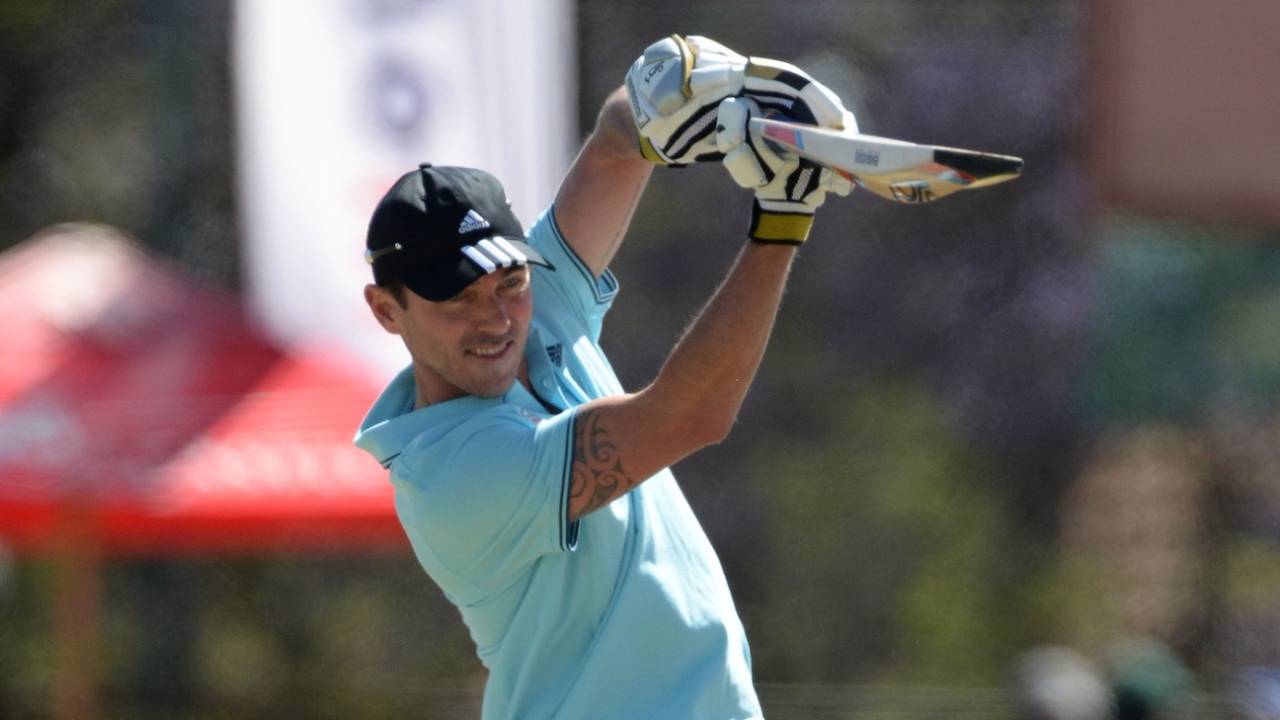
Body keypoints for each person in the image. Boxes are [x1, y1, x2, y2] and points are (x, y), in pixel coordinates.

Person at [354, 35, 853, 720]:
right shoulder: (449, 475)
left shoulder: (536, 315)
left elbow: (617, 148)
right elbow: (690, 415)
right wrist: (782, 222)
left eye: (510, 282)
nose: (496, 318)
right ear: (387, 310)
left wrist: (666, 91)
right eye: (456, 296)